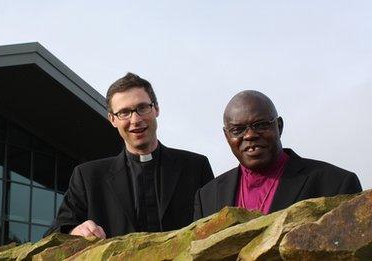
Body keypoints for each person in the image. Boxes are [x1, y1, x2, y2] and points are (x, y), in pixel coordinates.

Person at [46, 72, 214, 238]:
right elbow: (54, 233)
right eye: (124, 112)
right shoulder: (87, 176)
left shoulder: (196, 167)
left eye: (142, 108)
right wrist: (74, 231)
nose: (135, 120)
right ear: (112, 119)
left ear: (156, 108)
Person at [194, 90, 362, 220]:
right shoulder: (207, 197)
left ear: (279, 126)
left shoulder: (335, 184)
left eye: (260, 125)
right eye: (238, 130)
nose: (250, 135)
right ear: (227, 136)